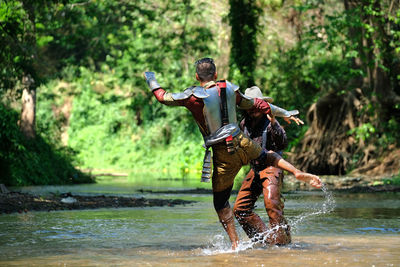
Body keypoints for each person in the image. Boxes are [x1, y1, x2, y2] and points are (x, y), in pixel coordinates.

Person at [143, 58, 322, 249]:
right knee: (266, 157)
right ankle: (295, 172)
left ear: (196, 76)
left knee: (221, 202)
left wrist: (151, 78)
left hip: (223, 153)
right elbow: (256, 104)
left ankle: (235, 244)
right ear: (216, 74)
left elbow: (163, 97)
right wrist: (285, 112)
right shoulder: (230, 89)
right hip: (242, 142)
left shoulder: (193, 96)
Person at [233, 86, 302, 246]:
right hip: (255, 168)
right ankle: (264, 240)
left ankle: (281, 244)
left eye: (256, 107)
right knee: (239, 209)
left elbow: (282, 143)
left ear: (263, 106)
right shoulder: (243, 123)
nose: (252, 110)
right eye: (249, 107)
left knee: (272, 205)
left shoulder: (271, 122)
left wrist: (273, 120)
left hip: (272, 167)